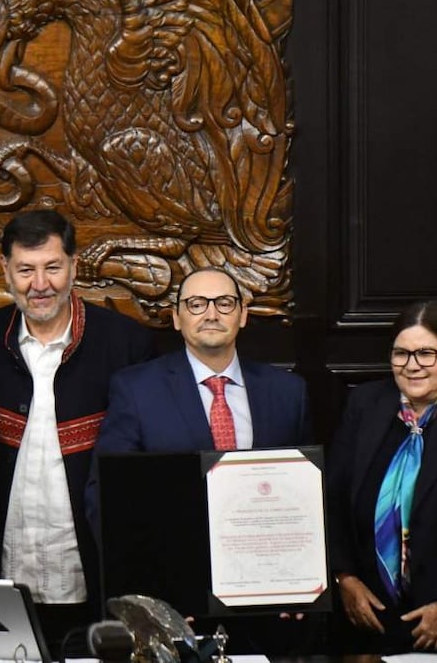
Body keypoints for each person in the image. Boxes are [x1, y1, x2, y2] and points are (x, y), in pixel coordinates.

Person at [0, 209, 154, 654]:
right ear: (5, 270)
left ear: (74, 267)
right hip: (0, 574)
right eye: (25, 270)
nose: (39, 284)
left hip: (91, 577)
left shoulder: (126, 345)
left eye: (52, 268)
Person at [84, 266, 314, 653]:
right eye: (196, 304)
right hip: (172, 603)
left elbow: (307, 497)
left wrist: (300, 584)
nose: (211, 313)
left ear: (242, 314)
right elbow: (106, 497)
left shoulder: (288, 393)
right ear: (176, 317)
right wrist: (148, 600)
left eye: (224, 302)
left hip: (267, 606)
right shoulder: (136, 389)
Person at [327, 300, 437, 655]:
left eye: (426, 354)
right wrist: (345, 578)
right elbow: (334, 498)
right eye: (401, 354)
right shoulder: (365, 405)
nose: (412, 365)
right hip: (365, 615)